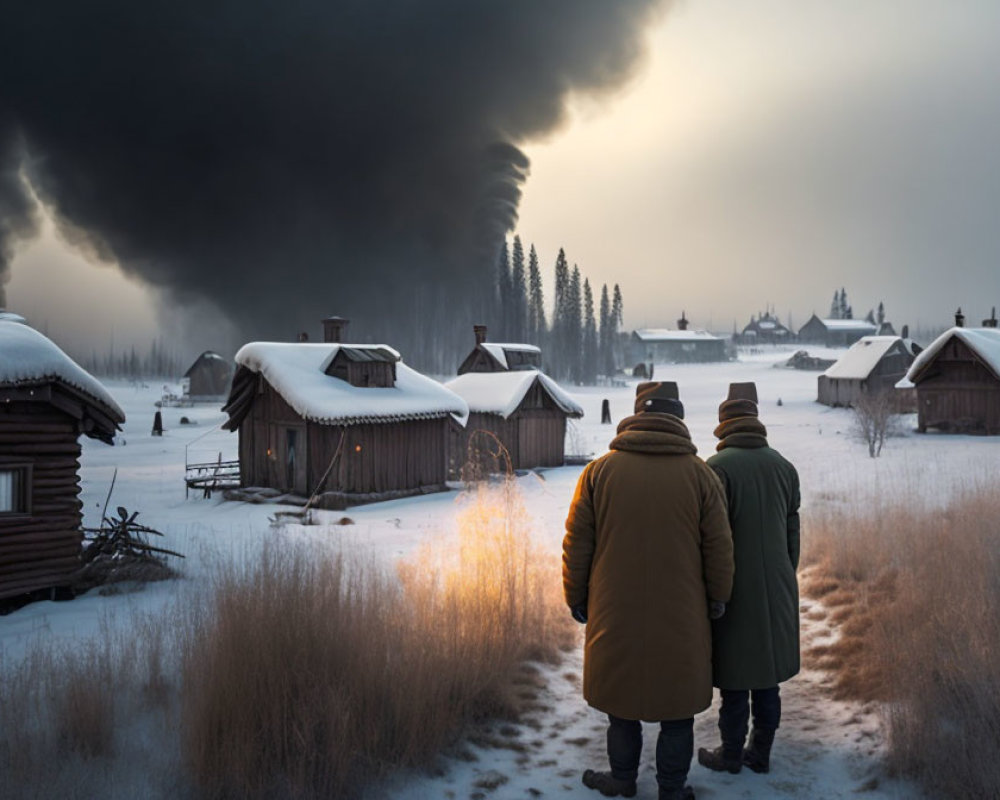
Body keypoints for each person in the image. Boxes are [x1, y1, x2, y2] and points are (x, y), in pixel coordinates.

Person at [563, 381, 734, 800]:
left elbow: (576, 541)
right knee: (677, 712)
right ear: (677, 417)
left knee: (621, 707)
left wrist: (577, 597)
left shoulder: (599, 472)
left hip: (613, 611)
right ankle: (671, 789)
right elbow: (719, 546)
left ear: (638, 413)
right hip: (682, 614)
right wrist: (718, 597)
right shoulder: (701, 476)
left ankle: (622, 779)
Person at [698, 382, 801, 776]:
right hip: (777, 586)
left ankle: (729, 754)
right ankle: (761, 753)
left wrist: (711, 588)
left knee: (736, 680)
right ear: (756, 422)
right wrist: (783, 573)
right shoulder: (784, 467)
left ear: (724, 424)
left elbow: (711, 538)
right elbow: (793, 531)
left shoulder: (716, 469)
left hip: (734, 588)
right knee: (767, 678)